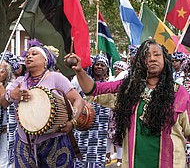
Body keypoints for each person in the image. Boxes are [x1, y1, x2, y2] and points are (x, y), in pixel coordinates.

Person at [67, 38, 190, 168]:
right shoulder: (128, 89)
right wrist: (79, 70)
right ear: (140, 62)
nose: (152, 58)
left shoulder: (179, 93)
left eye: (157, 54)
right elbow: (93, 90)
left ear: (165, 59)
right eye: (147, 56)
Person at [0, 39, 84, 168]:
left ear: (46, 61)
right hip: (24, 142)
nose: (29, 56)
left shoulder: (56, 78)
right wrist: (11, 95)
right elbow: (3, 103)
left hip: (54, 139)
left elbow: (78, 100)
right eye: (27, 55)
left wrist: (72, 123)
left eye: (34, 54)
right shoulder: (20, 82)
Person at [73, 54, 112, 167]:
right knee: (80, 151)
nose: (99, 67)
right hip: (83, 124)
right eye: (97, 64)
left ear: (106, 69)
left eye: (102, 65)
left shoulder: (109, 85)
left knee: (98, 154)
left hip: (101, 128)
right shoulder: (83, 81)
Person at [0, 55, 18, 168]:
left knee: (4, 161)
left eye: (2, 71)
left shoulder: (12, 85)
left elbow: (5, 103)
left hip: (6, 132)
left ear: (8, 73)